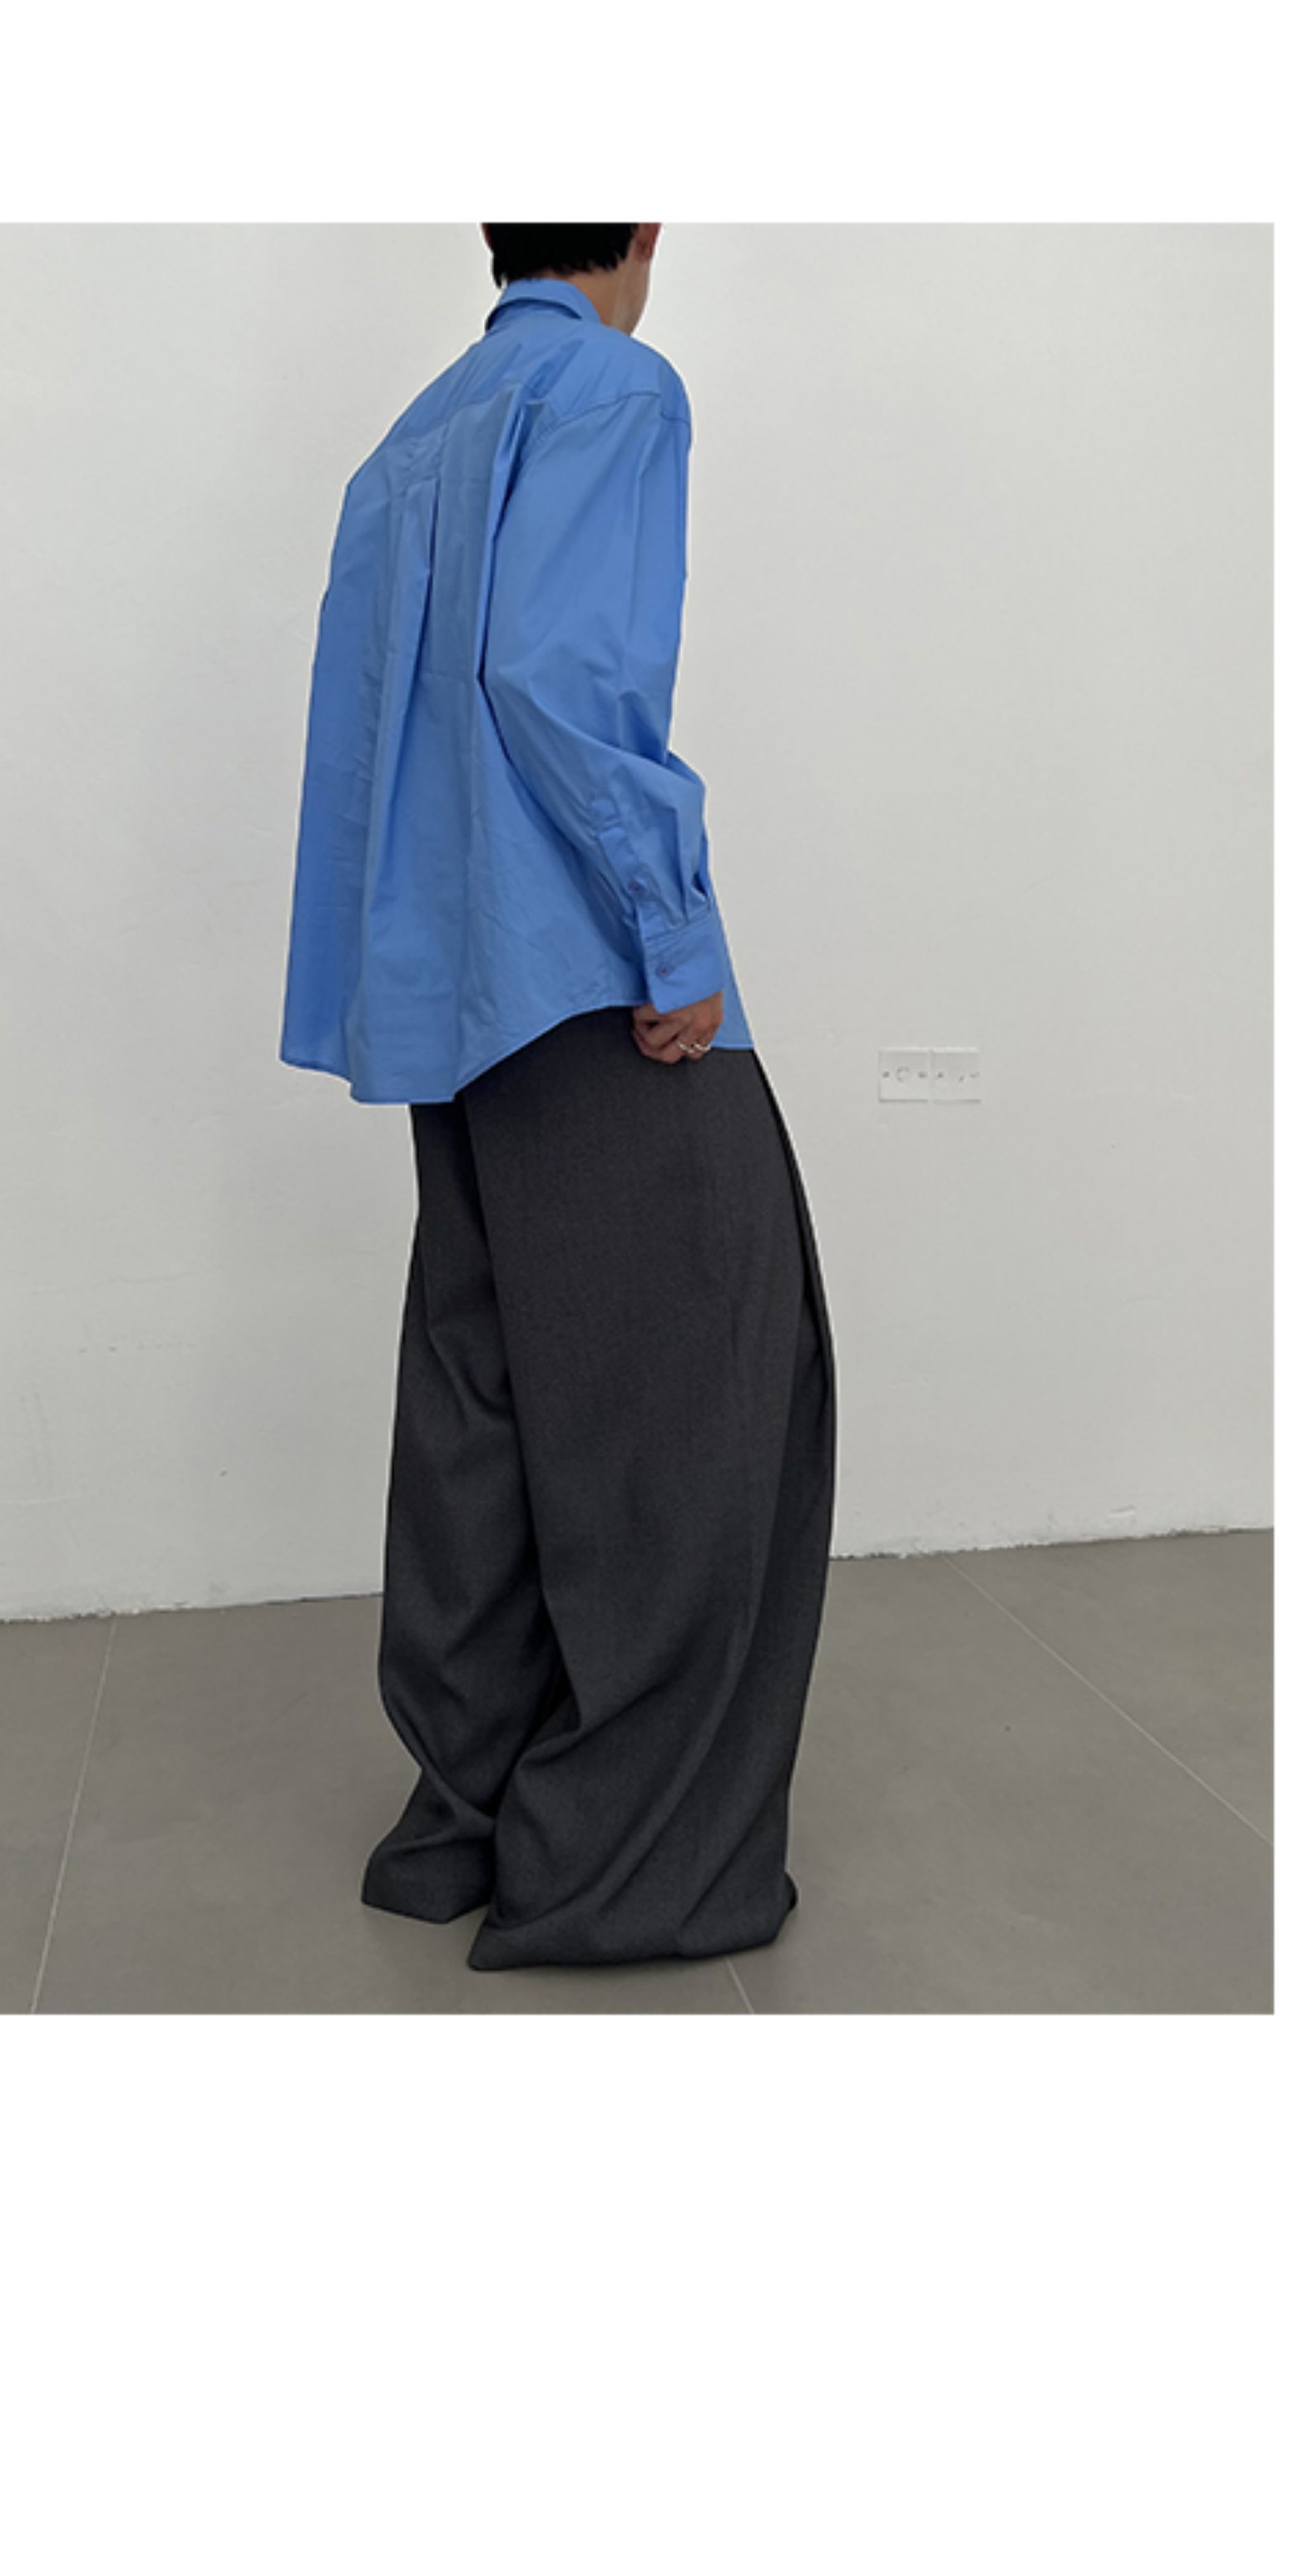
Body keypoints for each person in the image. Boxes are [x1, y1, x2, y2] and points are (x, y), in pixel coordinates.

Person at [279, 223, 836, 1970]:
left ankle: (459, 1816)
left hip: (454, 1004)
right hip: (588, 982)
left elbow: (377, 737)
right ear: (640, 230)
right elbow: (556, 674)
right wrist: (672, 930)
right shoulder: (611, 383)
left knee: (485, 1394)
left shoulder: (419, 430)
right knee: (712, 1398)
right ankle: (621, 1865)